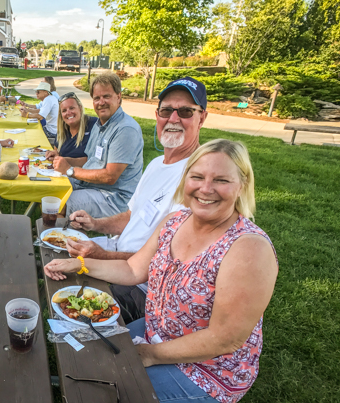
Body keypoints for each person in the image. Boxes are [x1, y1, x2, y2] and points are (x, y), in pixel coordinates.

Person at [45, 139, 278, 403]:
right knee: (84, 349)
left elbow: (225, 339)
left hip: (208, 370)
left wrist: (150, 354)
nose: (205, 188)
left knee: (103, 390)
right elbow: (133, 269)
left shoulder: (248, 248)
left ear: (242, 185)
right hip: (156, 332)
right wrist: (81, 264)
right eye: (197, 176)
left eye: (221, 180)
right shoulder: (175, 221)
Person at [63, 77, 209, 323]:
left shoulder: (199, 179)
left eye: (185, 111)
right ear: (157, 115)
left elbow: (167, 262)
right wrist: (95, 225)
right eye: (166, 111)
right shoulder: (156, 164)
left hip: (144, 288)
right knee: (59, 256)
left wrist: (101, 255)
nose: (173, 119)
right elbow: (131, 216)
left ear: (202, 118)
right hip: (118, 254)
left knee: (75, 310)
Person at [51, 73, 143, 219]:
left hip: (112, 198)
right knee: (51, 188)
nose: (101, 102)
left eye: (106, 96)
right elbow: (89, 159)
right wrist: (61, 159)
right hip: (90, 185)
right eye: (96, 98)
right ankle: (54, 234)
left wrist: (69, 170)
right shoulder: (100, 124)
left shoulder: (125, 129)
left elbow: (110, 177)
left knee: (58, 204)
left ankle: (61, 239)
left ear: (118, 97)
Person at [45, 92, 97, 160]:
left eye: (72, 108)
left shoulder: (94, 125)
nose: (68, 113)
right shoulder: (63, 129)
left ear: (80, 108)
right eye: (64, 110)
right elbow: (57, 150)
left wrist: (67, 161)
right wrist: (55, 153)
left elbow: (97, 160)